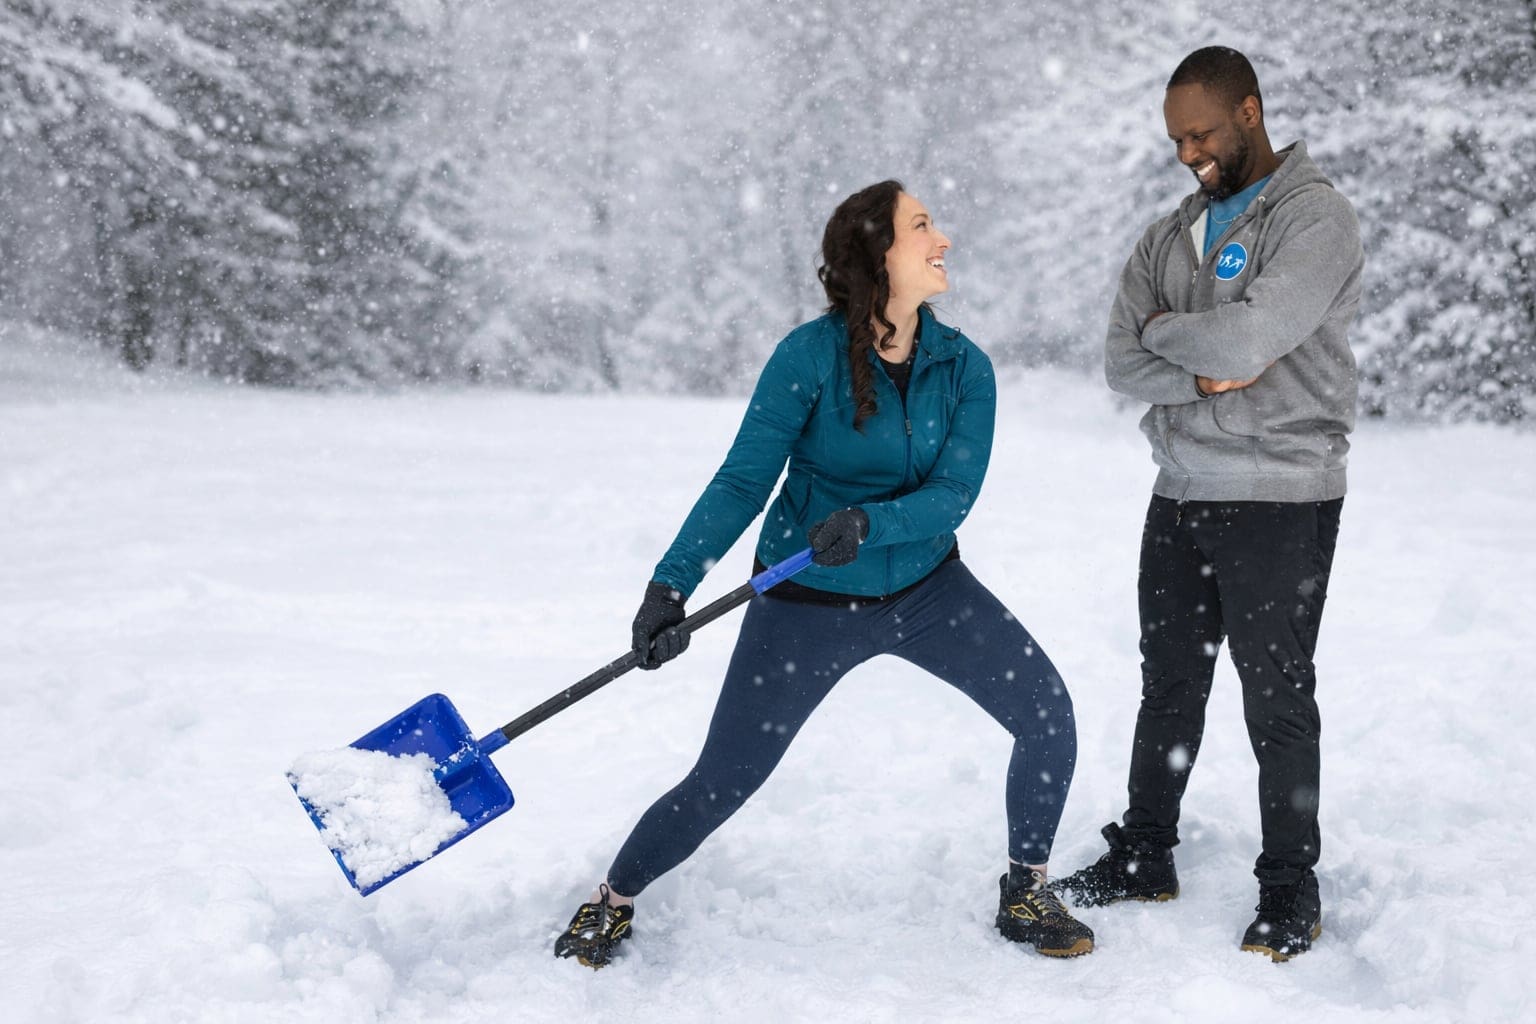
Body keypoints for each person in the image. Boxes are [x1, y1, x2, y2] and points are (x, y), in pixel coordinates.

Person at [553, 180, 1093, 968]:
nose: (942, 240)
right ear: (879, 255)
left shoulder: (963, 366)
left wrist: (875, 524)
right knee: (724, 779)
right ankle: (614, 898)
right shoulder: (807, 358)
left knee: (1048, 714)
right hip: (804, 598)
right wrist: (670, 588)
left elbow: (953, 496)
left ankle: (1026, 887)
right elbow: (743, 481)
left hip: (926, 588)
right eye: (921, 227)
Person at [1056, 47, 1364, 962]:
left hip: (1280, 492)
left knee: (1276, 699)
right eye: (1175, 138)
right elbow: (1121, 359)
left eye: (1201, 133)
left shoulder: (1316, 218)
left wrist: (1172, 342)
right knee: (1170, 686)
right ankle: (1146, 853)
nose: (1188, 152)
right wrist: (1202, 358)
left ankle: (1290, 889)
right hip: (1179, 490)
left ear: (1251, 112)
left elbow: (1260, 332)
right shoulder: (1168, 235)